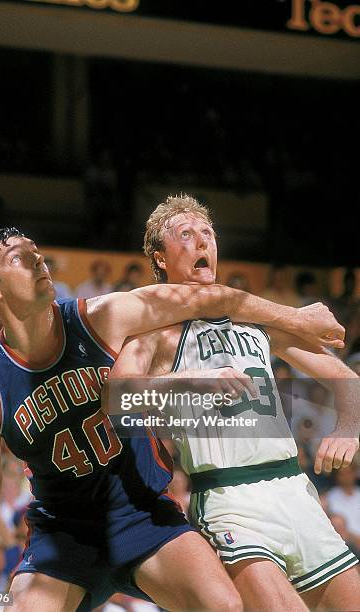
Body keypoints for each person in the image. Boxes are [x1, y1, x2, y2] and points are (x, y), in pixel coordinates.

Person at [0, 226, 344, 612]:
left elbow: (205, 298)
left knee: (223, 605)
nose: (38, 259)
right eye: (20, 258)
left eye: (37, 251)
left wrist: (295, 318)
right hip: (63, 531)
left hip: (141, 510)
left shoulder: (104, 316)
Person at [104, 195, 360, 612]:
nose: (202, 241)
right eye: (185, 234)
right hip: (228, 499)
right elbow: (118, 400)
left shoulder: (252, 319)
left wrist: (348, 428)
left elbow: (347, 381)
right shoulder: (155, 331)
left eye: (208, 233)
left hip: (294, 489)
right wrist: (191, 382)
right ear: (160, 257)